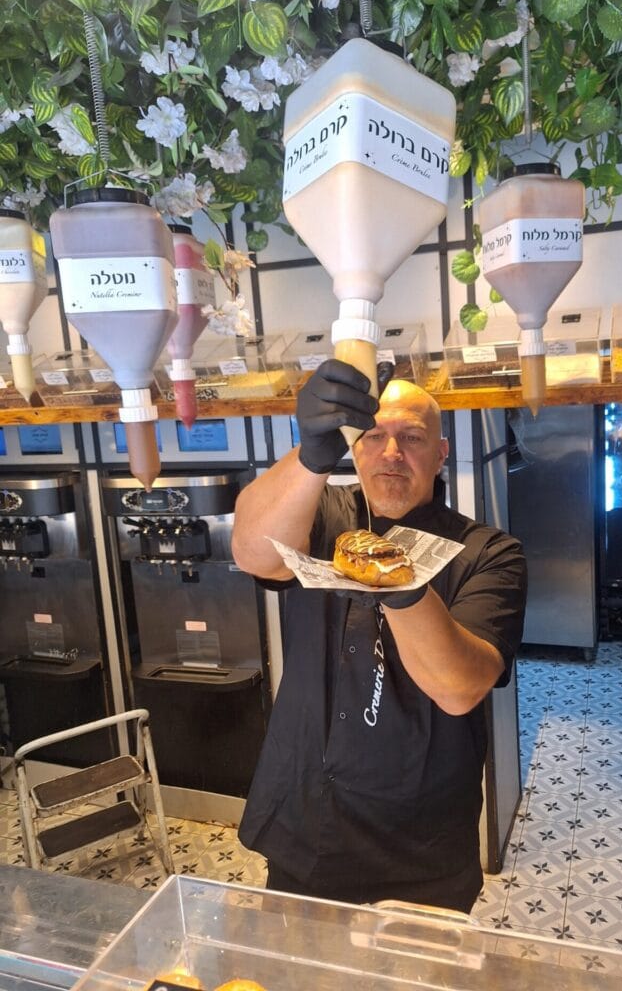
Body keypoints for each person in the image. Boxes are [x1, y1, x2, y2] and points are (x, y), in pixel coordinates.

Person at [232, 359, 526, 911]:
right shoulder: (323, 514)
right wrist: (311, 454)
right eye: (373, 436)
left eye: (411, 438)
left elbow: (459, 688)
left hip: (419, 848)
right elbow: (253, 552)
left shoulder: (489, 553)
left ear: (441, 453)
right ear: (355, 447)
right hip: (306, 823)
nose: (391, 453)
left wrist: (401, 585)